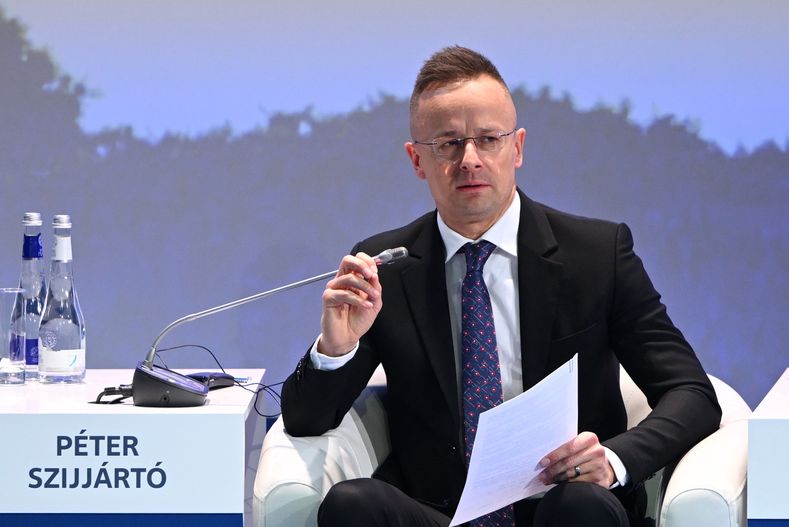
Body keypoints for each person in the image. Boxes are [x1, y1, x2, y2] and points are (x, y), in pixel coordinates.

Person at [281, 45, 721, 527]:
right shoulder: (386, 266)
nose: (469, 159)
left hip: (565, 508)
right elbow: (306, 420)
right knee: (351, 504)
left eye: (488, 139)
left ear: (517, 148)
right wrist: (337, 348)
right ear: (416, 159)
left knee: (578, 507)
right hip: (439, 513)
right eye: (448, 143)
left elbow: (691, 393)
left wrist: (613, 462)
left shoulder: (597, 254)